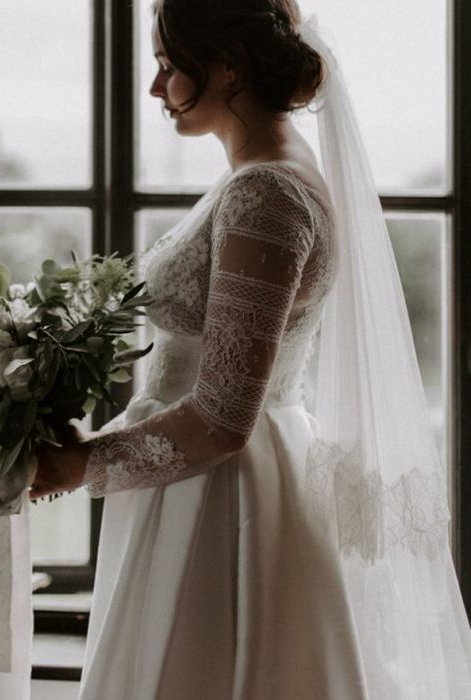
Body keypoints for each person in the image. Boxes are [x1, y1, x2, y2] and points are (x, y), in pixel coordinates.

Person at [30, 1, 471, 698]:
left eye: (170, 68)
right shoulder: (258, 175)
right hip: (198, 477)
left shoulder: (266, 195)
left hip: (222, 499)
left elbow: (223, 418)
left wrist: (86, 462)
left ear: (229, 66)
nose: (155, 89)